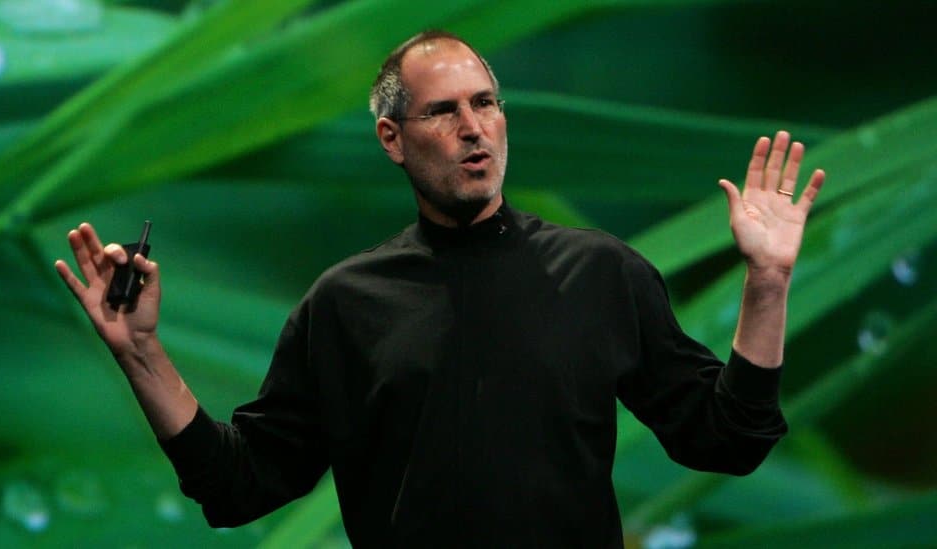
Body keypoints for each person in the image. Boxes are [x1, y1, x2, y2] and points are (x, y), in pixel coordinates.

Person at [54, 30, 825, 548]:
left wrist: (769, 282)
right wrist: (142, 352)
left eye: (486, 104)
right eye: (445, 111)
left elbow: (728, 439)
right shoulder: (345, 304)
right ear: (392, 138)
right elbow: (237, 482)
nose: (475, 128)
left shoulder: (601, 272)